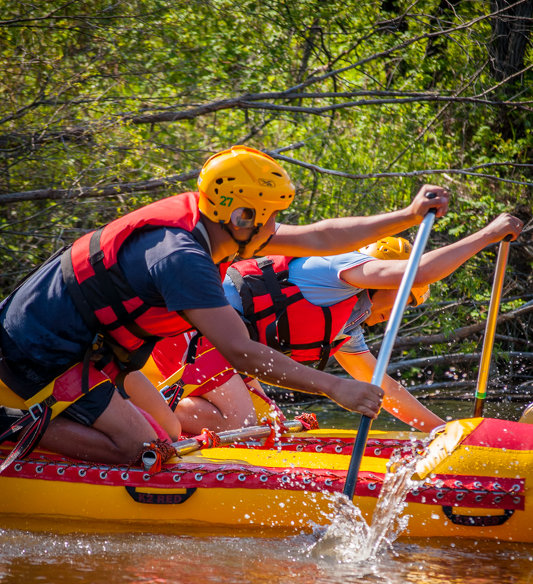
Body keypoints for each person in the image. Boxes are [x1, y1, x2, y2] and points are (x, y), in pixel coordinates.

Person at [0, 145, 450, 466]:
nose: (276, 226)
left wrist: (407, 215)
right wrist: (335, 389)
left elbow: (320, 235)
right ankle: (10, 423)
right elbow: (241, 352)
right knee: (145, 452)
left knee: (171, 433)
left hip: (92, 349)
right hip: (41, 351)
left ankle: (62, 420)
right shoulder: (181, 257)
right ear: (241, 217)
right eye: (271, 215)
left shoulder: (217, 229)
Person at [149, 213, 523, 434]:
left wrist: (441, 431)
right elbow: (420, 271)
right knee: (244, 426)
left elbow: (384, 389)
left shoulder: (347, 320)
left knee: (269, 429)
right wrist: (489, 234)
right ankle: (141, 408)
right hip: (190, 331)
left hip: (222, 348)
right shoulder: (333, 271)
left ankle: (156, 406)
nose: (400, 308)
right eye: (405, 296)